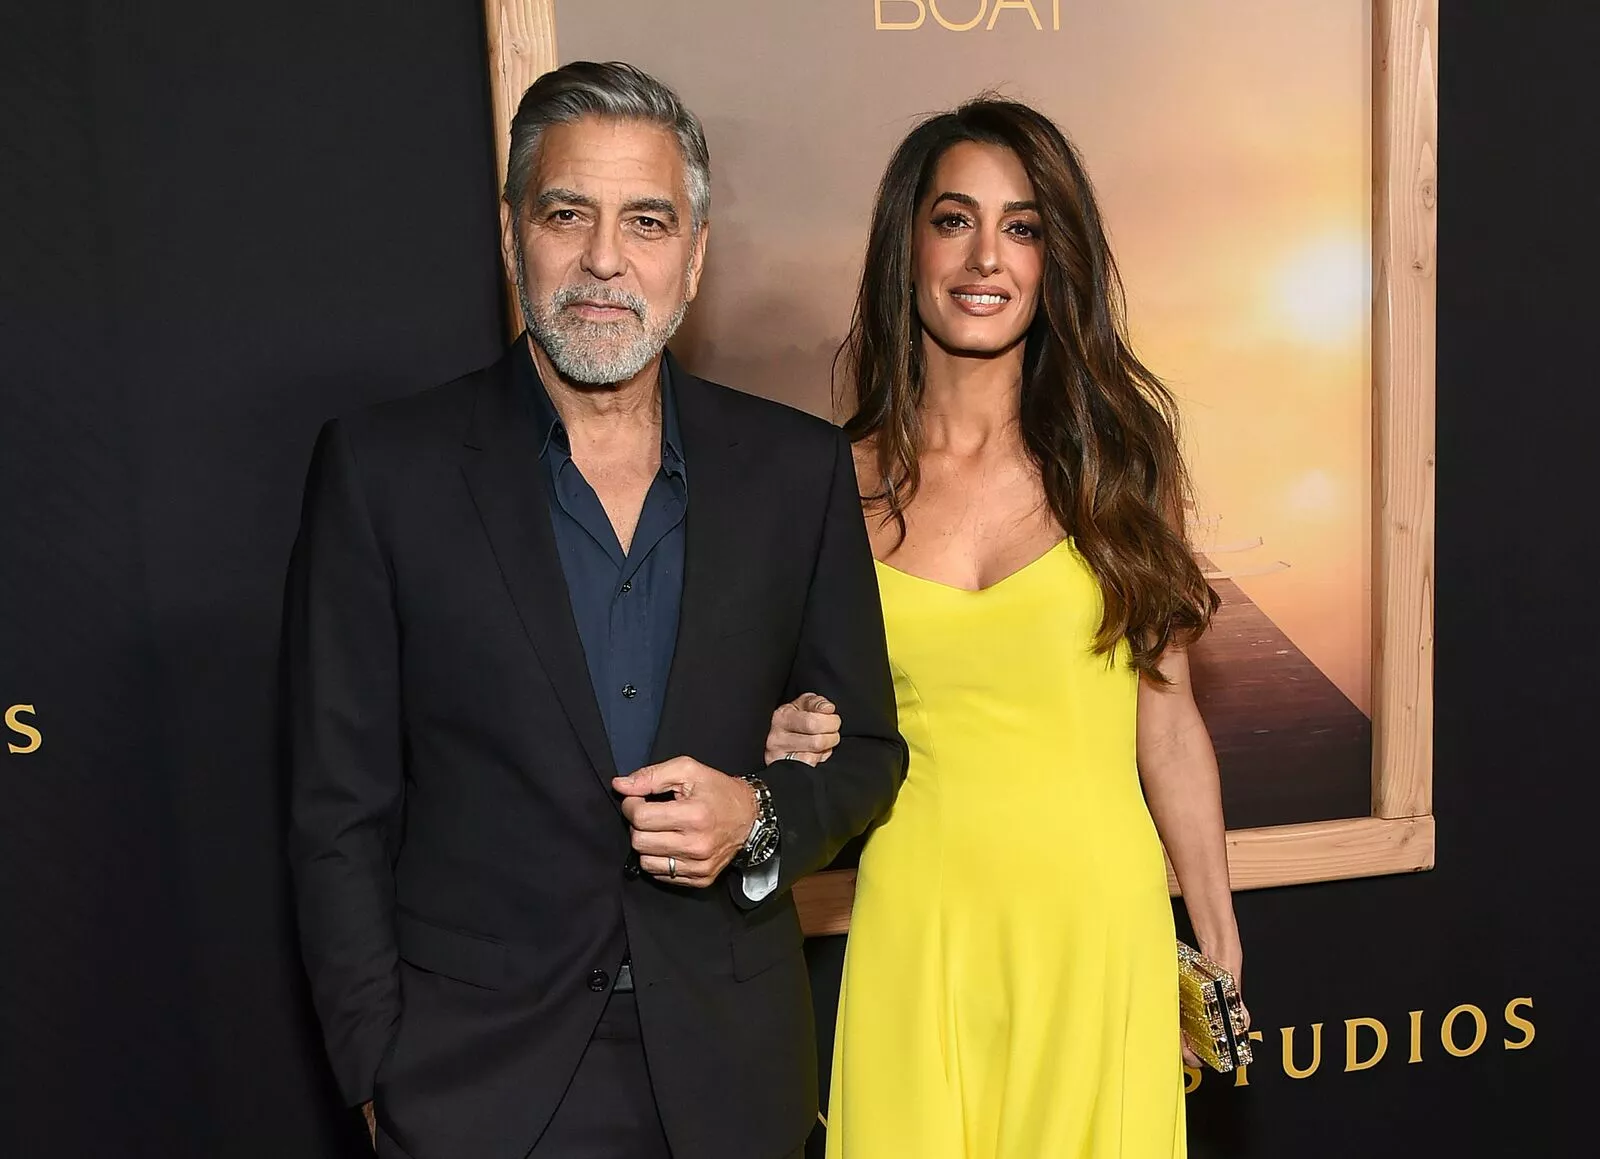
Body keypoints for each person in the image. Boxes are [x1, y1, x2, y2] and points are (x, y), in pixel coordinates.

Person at [284, 61, 905, 1159]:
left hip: (730, 1075)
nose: (605, 259)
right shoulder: (384, 472)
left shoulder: (794, 469)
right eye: (568, 214)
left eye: (647, 221)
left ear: (694, 256)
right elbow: (338, 808)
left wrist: (758, 816)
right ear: (512, 234)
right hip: (473, 1085)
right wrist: (379, 1068)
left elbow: (863, 750)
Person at [765, 97, 1245, 1158]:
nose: (986, 256)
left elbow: (1168, 727)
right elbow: (792, 711)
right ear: (907, 247)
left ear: (1051, 259)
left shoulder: (1121, 466)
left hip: (1098, 928)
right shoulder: (828, 486)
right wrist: (784, 729)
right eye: (955, 219)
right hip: (917, 925)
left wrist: (1214, 940)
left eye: (1021, 226)